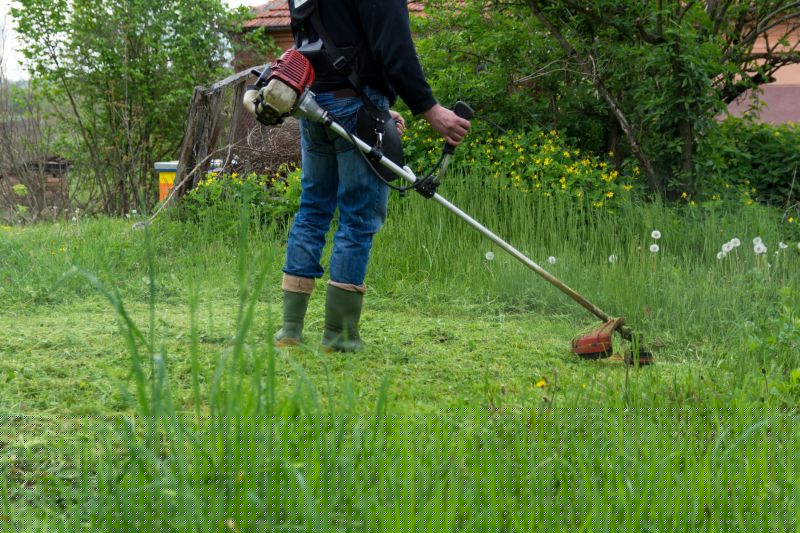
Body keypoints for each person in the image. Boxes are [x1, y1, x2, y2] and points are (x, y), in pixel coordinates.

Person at [275, 0, 471, 352]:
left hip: (312, 104)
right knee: (358, 216)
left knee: (313, 210)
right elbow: (394, 47)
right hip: (353, 104)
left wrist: (377, 103)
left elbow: (319, 39)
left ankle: (290, 330)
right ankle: (339, 337)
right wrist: (429, 109)